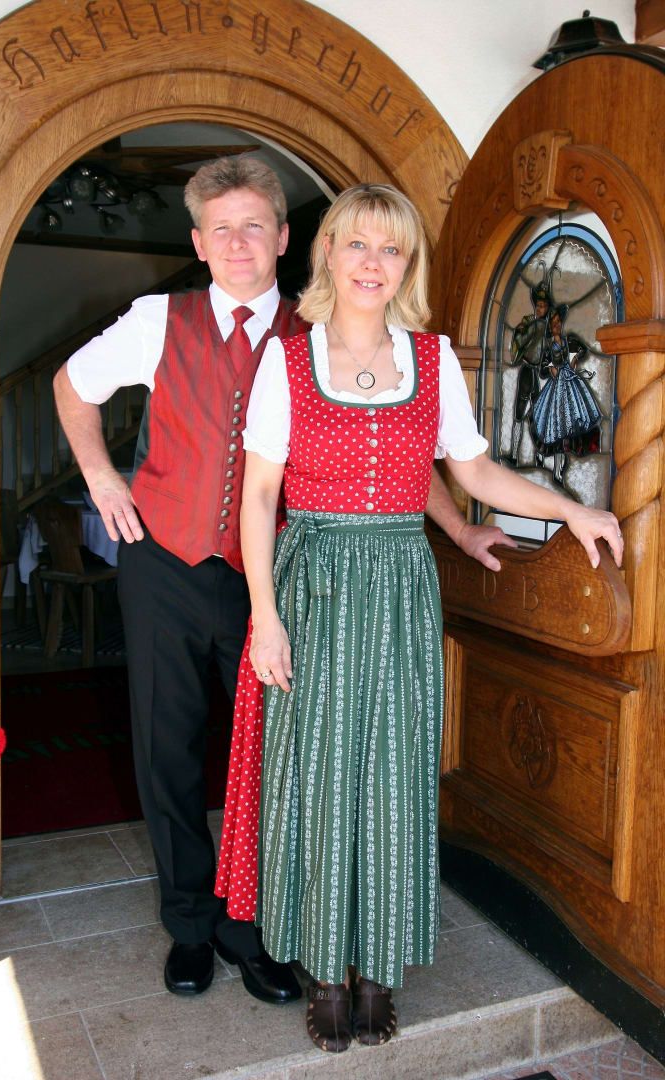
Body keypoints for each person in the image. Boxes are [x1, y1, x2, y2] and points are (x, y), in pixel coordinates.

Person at [53, 159, 509, 1005]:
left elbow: (401, 450)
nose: (238, 243)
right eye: (220, 228)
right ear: (198, 242)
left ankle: (254, 929)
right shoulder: (159, 319)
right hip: (167, 563)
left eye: (254, 225)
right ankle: (191, 926)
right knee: (167, 750)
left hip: (284, 579)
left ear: (286, 237)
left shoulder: (328, 323)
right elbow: (70, 387)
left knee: (275, 759)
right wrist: (102, 476)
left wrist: (456, 526)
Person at [214, 183, 623, 1053]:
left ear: (407, 265)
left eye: (391, 248)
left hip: (401, 583)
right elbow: (257, 497)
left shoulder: (432, 360)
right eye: (357, 244)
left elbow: (473, 472)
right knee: (320, 772)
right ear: (327, 253)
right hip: (314, 585)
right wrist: (265, 617)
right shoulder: (288, 362)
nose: (373, 263)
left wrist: (570, 509)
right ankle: (327, 972)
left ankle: (380, 969)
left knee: (394, 771)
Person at [531, 304, 602, 486]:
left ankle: (559, 470)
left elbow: (582, 350)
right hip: (556, 388)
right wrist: (551, 367)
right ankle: (547, 461)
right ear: (550, 326)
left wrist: (574, 358)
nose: (557, 326)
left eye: (558, 322)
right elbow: (543, 367)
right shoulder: (549, 346)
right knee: (552, 424)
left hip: (570, 383)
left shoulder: (567, 341)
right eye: (553, 323)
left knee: (568, 425)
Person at [506, 281, 551, 467]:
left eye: (543, 306)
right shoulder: (543, 326)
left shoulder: (537, 325)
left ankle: (519, 455)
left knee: (524, 413)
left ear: (547, 308)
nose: (540, 309)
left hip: (532, 372)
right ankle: (534, 456)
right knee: (532, 413)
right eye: (538, 305)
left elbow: (521, 340)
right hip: (531, 372)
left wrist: (520, 330)